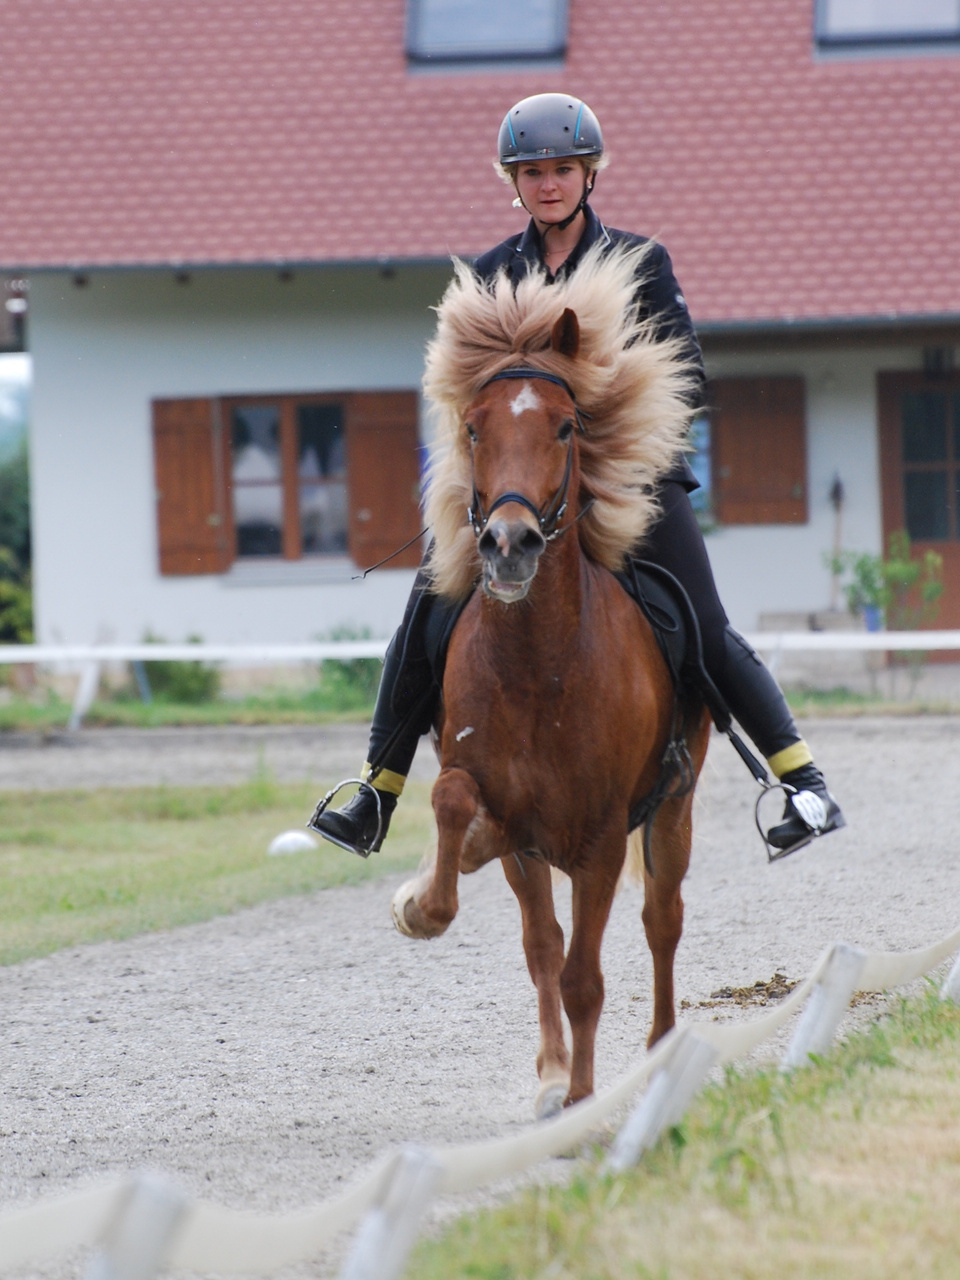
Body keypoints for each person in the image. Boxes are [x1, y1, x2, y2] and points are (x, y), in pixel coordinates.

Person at [311, 92, 844, 859]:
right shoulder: (490, 274)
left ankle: (803, 785)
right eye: (533, 173)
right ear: (515, 183)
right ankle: (375, 791)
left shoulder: (641, 263)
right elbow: (468, 392)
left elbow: (687, 375)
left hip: (629, 479)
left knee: (702, 621)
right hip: (516, 483)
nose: (548, 184)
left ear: (589, 174)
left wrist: (597, 428)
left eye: (562, 169)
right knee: (425, 612)